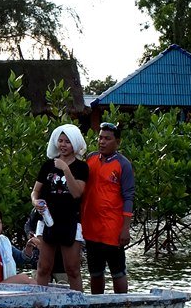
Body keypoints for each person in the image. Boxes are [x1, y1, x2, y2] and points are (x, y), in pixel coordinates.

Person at [30, 124, 89, 291]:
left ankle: (78, 303)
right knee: (43, 267)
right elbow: (35, 191)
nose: (63, 145)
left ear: (75, 144)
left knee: (72, 269)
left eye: (67, 142)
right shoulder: (48, 165)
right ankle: (40, 301)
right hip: (48, 220)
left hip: (69, 220)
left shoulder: (81, 167)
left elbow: (77, 193)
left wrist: (65, 169)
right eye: (60, 141)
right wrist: (36, 202)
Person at [81, 122, 135, 294]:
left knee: (118, 272)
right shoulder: (90, 159)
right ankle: (98, 306)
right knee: (95, 272)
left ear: (117, 142)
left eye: (107, 139)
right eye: (100, 138)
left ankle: (122, 306)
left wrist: (125, 229)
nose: (102, 142)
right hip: (90, 228)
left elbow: (128, 197)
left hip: (112, 229)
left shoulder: (123, 165)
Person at [24, 209, 66, 283]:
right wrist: (29, 233)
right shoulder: (38, 208)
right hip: (39, 257)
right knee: (39, 285)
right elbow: (29, 225)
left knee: (63, 285)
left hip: (61, 260)